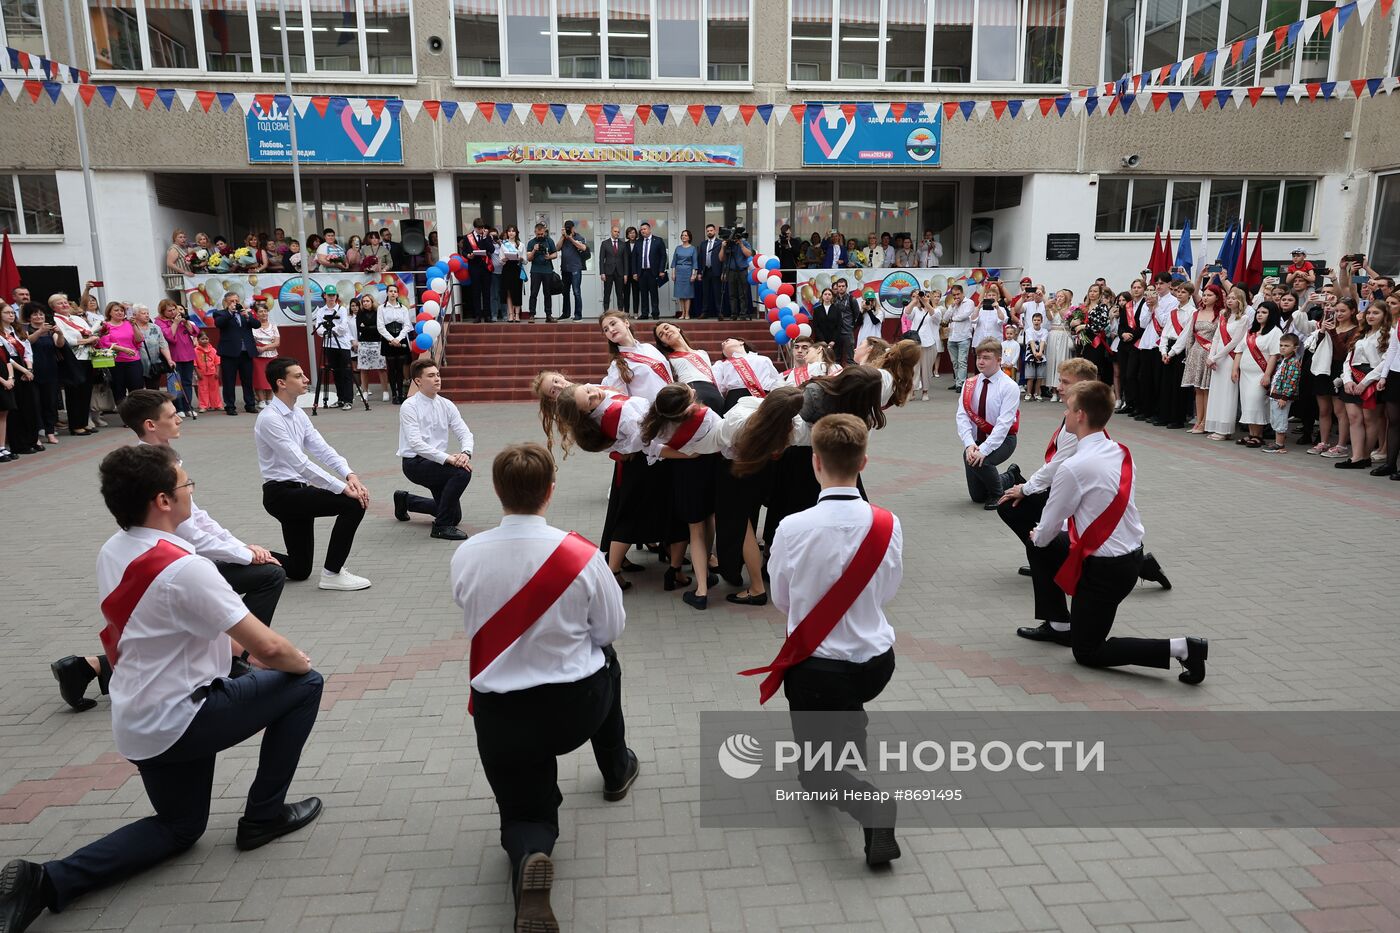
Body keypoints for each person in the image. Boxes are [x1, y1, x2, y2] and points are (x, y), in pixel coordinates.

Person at [0, 444, 323, 933]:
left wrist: (239, 656)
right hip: (185, 717)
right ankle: (264, 816)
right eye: (186, 484)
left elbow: (166, 628)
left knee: (180, 829)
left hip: (140, 721)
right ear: (163, 501)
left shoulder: (117, 548)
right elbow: (272, 648)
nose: (192, 490)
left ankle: (43, 881)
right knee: (306, 684)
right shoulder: (186, 568)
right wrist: (293, 661)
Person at [453, 443, 637, 933]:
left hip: (502, 715)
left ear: (496, 491)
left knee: (524, 811)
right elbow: (610, 629)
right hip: (575, 708)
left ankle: (531, 853)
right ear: (551, 492)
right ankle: (616, 768)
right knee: (608, 661)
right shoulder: (582, 554)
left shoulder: (467, 554)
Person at [50, 389, 290, 711]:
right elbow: (192, 532)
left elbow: (198, 516)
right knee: (268, 575)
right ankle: (243, 655)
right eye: (171, 414)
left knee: (172, 632)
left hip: (172, 559)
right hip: (169, 562)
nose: (179, 417)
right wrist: (247, 555)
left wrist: (241, 546)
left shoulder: (166, 457)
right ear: (150, 425)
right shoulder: (148, 467)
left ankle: (86, 667)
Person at [738, 414, 902, 867]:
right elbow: (888, 590)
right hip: (876, 663)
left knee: (814, 775)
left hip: (817, 670)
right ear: (864, 462)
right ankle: (848, 734)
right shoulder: (888, 523)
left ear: (815, 464)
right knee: (842, 707)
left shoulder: (791, 527)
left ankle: (872, 808)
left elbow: (782, 600)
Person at [1022, 381, 1207, 684]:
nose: (1064, 413)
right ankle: (1059, 622)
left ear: (1080, 415)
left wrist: (1037, 536)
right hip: (1130, 557)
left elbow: (1048, 527)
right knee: (1053, 552)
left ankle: (1183, 648)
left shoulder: (1073, 467)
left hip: (1104, 571)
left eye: (1067, 408)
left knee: (1087, 651)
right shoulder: (1120, 451)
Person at [254, 357, 371, 590]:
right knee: (352, 504)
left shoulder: (298, 414)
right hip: (281, 495)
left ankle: (238, 556)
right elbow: (301, 464)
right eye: (298, 376)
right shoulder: (269, 419)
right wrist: (341, 488)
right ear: (281, 383)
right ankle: (332, 574)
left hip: (298, 492)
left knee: (299, 569)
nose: (306, 379)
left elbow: (322, 449)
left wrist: (350, 475)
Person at [393, 360, 474, 541]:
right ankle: (441, 527)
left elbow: (465, 433)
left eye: (437, 375)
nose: (437, 379)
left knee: (455, 516)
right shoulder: (409, 406)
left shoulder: (446, 404)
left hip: (437, 462)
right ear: (418, 381)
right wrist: (448, 459)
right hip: (415, 464)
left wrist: (465, 453)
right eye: (431, 376)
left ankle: (405, 501)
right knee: (461, 474)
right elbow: (415, 443)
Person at [956, 338, 1020, 509]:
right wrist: (970, 445)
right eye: (978, 357)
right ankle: (1010, 477)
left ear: (999, 360)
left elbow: (1003, 424)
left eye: (986, 357)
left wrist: (983, 451)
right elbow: (962, 416)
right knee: (977, 496)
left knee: (981, 461)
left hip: (1004, 440)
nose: (980, 362)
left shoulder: (1009, 386)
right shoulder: (969, 384)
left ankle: (998, 494)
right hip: (977, 441)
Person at [1236, 301, 1283, 447]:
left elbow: (1274, 355)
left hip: (1260, 375)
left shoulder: (1275, 332)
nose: (1260, 315)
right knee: (1247, 404)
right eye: (1258, 312)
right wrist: (1235, 369)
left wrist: (1267, 375)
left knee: (1256, 403)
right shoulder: (1251, 331)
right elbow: (1240, 349)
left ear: (1272, 315)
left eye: (1264, 312)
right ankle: (1251, 434)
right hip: (1245, 375)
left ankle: (1258, 435)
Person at [211, 292, 258, 416]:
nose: (234, 303)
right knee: (229, 381)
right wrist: (230, 312)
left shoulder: (245, 313)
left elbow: (257, 325)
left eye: (236, 301)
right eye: (231, 301)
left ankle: (250, 404)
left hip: (246, 352)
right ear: (226, 302)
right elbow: (219, 324)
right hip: (229, 353)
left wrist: (247, 316)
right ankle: (230, 406)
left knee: (247, 380)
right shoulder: (220, 313)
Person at [24, 306, 62, 445]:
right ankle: (36, 434)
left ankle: (50, 432)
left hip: (51, 370)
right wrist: (40, 331)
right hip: (32, 371)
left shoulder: (50, 330)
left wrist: (60, 333)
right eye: (35, 315)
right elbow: (27, 342)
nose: (39, 317)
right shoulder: (25, 329)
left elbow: (60, 344)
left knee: (50, 402)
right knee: (34, 403)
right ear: (29, 317)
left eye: (41, 315)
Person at [156, 299, 200, 417]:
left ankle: (188, 406)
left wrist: (185, 323)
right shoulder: (160, 322)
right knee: (175, 383)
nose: (173, 312)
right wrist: (175, 323)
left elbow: (195, 332)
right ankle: (178, 407)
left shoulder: (180, 318)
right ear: (163, 312)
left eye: (174, 309)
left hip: (188, 355)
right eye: (169, 311)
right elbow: (169, 336)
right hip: (174, 356)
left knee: (187, 382)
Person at [317, 286, 357, 410]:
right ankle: (340, 399)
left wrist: (330, 331)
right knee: (336, 372)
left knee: (346, 372)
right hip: (329, 344)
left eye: (333, 295)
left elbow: (343, 327)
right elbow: (319, 329)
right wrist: (330, 331)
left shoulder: (342, 309)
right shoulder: (321, 311)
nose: (331, 298)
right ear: (325, 296)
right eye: (329, 295)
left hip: (343, 345)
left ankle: (348, 400)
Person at [96, 302, 144, 406]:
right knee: (119, 391)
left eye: (122, 310)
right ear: (110, 312)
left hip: (133, 361)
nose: (120, 312)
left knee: (136, 391)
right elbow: (104, 343)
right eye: (116, 310)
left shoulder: (128, 324)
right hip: (115, 363)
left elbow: (140, 339)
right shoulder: (106, 325)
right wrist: (123, 349)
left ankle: (137, 417)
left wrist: (134, 325)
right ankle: (125, 417)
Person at [1264, 333, 1302, 453]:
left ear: (1295, 348)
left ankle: (1280, 445)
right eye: (1281, 345)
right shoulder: (1282, 360)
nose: (1283, 348)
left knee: (1280, 418)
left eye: (1286, 345)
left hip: (1282, 397)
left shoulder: (1293, 362)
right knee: (1275, 417)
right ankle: (1277, 441)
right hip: (1276, 394)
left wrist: (1284, 397)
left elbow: (1291, 381)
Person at [377, 283, 414, 403]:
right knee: (391, 368)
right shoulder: (381, 308)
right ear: (387, 293)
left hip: (400, 338)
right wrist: (391, 339)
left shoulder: (403, 308)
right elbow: (380, 326)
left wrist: (398, 339)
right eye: (390, 291)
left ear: (398, 294)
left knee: (400, 367)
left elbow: (407, 325)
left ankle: (401, 393)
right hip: (388, 339)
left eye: (395, 291)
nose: (393, 293)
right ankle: (394, 394)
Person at [900, 290, 938, 400]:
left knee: (926, 369)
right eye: (922, 296)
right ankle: (911, 391)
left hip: (929, 343)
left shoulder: (935, 310)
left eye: (926, 296)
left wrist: (926, 302)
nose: (923, 298)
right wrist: (915, 300)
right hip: (915, 343)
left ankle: (925, 392)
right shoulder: (915, 310)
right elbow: (906, 313)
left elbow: (934, 315)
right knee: (913, 369)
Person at [461, 218, 496, 324]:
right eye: (479, 228)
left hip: (485, 268)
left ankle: (487, 315)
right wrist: (468, 255)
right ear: (475, 228)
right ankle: (477, 315)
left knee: (487, 292)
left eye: (482, 228)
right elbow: (464, 251)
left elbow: (492, 250)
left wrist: (485, 238)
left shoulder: (487, 236)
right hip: (474, 267)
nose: (481, 230)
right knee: (476, 292)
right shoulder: (468, 237)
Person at [353, 293, 386, 402]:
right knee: (364, 369)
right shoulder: (360, 314)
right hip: (364, 343)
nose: (365, 303)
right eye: (364, 302)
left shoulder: (378, 312)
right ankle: (365, 391)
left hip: (377, 343)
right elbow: (360, 328)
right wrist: (370, 327)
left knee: (381, 368)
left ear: (372, 302)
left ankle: (385, 391)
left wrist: (367, 327)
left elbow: (379, 328)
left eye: (367, 301)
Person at [631, 221, 666, 321]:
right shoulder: (638, 242)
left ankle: (655, 313)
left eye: (644, 229)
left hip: (653, 272)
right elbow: (634, 258)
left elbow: (663, 256)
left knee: (654, 293)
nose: (642, 231)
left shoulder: (658, 241)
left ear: (650, 230)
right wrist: (634, 272)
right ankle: (644, 313)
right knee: (643, 293)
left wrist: (661, 270)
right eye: (641, 230)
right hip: (641, 272)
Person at [943, 284, 976, 390]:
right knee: (955, 362)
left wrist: (952, 319)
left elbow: (964, 316)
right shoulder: (952, 305)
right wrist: (952, 307)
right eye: (954, 295)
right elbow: (945, 318)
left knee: (962, 361)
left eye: (958, 294)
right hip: (952, 336)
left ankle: (961, 384)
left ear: (962, 293)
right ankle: (958, 381)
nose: (956, 297)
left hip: (964, 336)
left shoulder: (969, 302)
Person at [526, 222, 558, 323]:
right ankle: (532, 314)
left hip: (547, 270)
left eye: (542, 234)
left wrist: (549, 257)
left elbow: (556, 254)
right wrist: (534, 250)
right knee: (533, 293)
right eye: (538, 234)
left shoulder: (549, 241)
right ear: (535, 232)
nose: (540, 236)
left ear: (544, 232)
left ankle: (548, 315)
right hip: (535, 271)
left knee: (547, 293)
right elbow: (529, 258)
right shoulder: (531, 243)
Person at [559, 220, 590, 322]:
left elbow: (583, 247)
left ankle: (578, 314)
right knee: (565, 292)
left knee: (576, 292)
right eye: (566, 228)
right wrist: (563, 237)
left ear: (573, 228)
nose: (568, 229)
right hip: (565, 269)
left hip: (575, 268)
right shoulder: (563, 238)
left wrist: (571, 238)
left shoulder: (579, 237)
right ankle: (565, 314)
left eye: (569, 228)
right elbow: (556, 248)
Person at [252, 304, 280, 409]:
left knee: (271, 377)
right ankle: (261, 400)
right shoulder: (252, 327)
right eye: (261, 311)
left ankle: (270, 399)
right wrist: (266, 345)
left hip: (271, 356)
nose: (264, 313)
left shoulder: (273, 326)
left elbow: (277, 343)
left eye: (265, 311)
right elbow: (251, 342)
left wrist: (264, 347)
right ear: (256, 314)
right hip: (258, 357)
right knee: (259, 378)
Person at [598, 223, 630, 316]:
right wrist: (602, 272)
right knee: (607, 293)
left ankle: (620, 312)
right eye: (615, 231)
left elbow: (625, 260)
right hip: (608, 272)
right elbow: (601, 259)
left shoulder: (623, 244)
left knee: (620, 293)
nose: (617, 233)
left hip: (620, 272)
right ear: (611, 232)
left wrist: (625, 274)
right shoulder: (605, 243)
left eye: (618, 232)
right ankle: (606, 312)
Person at [496, 225, 525, 324]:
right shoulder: (504, 244)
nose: (511, 233)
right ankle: (510, 314)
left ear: (516, 233)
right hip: (507, 268)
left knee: (517, 291)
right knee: (508, 292)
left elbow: (525, 260)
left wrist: (521, 259)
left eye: (513, 231)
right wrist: (504, 259)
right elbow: (500, 260)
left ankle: (517, 314)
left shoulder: (521, 244)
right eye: (509, 231)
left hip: (517, 268)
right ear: (507, 233)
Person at [671, 229, 697, 320]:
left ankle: (687, 313)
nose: (684, 237)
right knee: (680, 294)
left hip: (688, 271)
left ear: (689, 237)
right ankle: (682, 313)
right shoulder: (678, 248)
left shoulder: (692, 248)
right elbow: (674, 262)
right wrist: (673, 274)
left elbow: (695, 262)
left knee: (687, 294)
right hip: (679, 271)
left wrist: (693, 274)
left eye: (686, 235)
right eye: (682, 235)